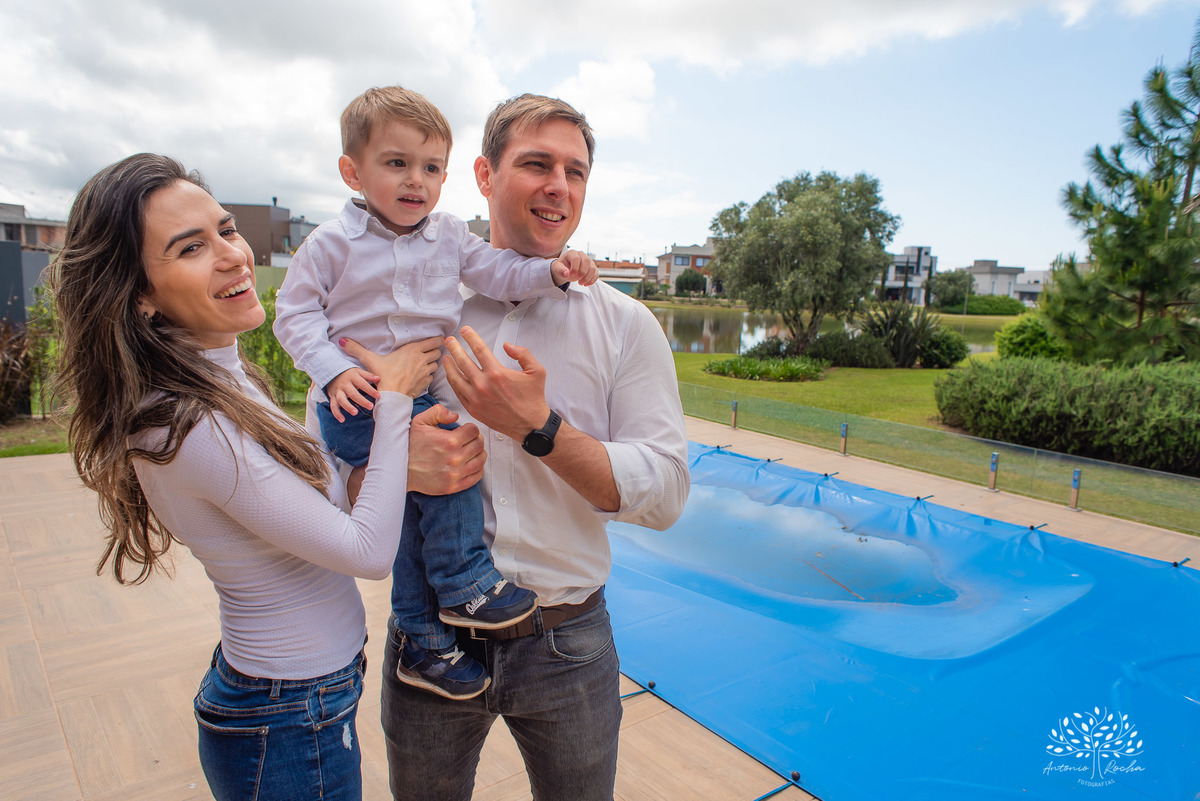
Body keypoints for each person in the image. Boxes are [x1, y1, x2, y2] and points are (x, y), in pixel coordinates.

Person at [50, 152, 453, 801]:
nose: (233, 256)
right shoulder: (184, 420)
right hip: (288, 718)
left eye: (226, 230)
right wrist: (398, 399)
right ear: (141, 296)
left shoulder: (220, 375)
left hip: (298, 700)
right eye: (190, 248)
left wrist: (375, 469)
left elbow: (308, 498)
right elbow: (367, 552)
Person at [380, 94, 691, 800]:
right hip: (431, 643)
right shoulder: (409, 305)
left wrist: (538, 429)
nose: (560, 185)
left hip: (569, 642)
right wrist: (392, 462)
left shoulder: (626, 325)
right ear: (485, 176)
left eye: (575, 171)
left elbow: (668, 493)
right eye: (536, 163)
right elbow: (334, 464)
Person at [275, 86, 598, 700]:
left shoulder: (449, 237)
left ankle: (425, 643)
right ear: (353, 170)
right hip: (360, 399)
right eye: (396, 163)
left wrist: (549, 272)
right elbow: (292, 316)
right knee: (451, 458)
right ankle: (465, 583)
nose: (414, 181)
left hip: (415, 398)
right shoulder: (330, 244)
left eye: (429, 168)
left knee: (412, 517)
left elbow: (499, 273)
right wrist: (332, 371)